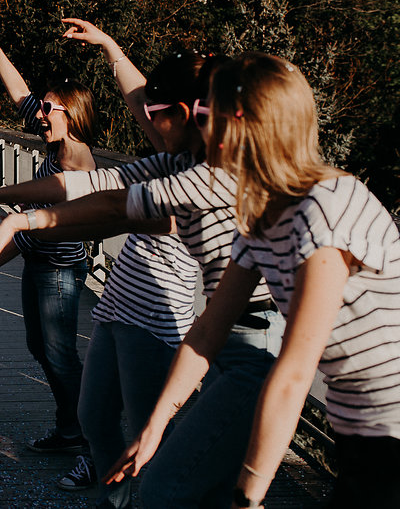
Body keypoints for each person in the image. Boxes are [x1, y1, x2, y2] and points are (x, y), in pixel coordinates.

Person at [0, 49, 284, 509]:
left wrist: (19, 221)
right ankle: (117, 501)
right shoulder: (176, 163)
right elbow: (91, 187)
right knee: (110, 427)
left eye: (151, 114)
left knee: (170, 483)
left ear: (185, 114)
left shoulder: (212, 174)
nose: (144, 120)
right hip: (208, 328)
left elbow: (116, 209)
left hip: (238, 339)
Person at [109, 53, 400, 508]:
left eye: (207, 114)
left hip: (391, 429)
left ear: (241, 125)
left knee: (172, 491)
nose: (200, 127)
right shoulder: (261, 215)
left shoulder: (323, 208)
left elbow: (296, 370)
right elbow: (208, 330)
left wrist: (249, 496)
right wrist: (154, 427)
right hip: (357, 428)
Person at [0, 22, 99, 457]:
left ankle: (81, 434)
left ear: (70, 112)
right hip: (40, 264)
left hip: (59, 271)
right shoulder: (55, 139)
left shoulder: (76, 163)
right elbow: (23, 97)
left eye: (48, 109)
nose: (39, 114)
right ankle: (71, 427)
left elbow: (44, 228)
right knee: (43, 348)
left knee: (59, 355)